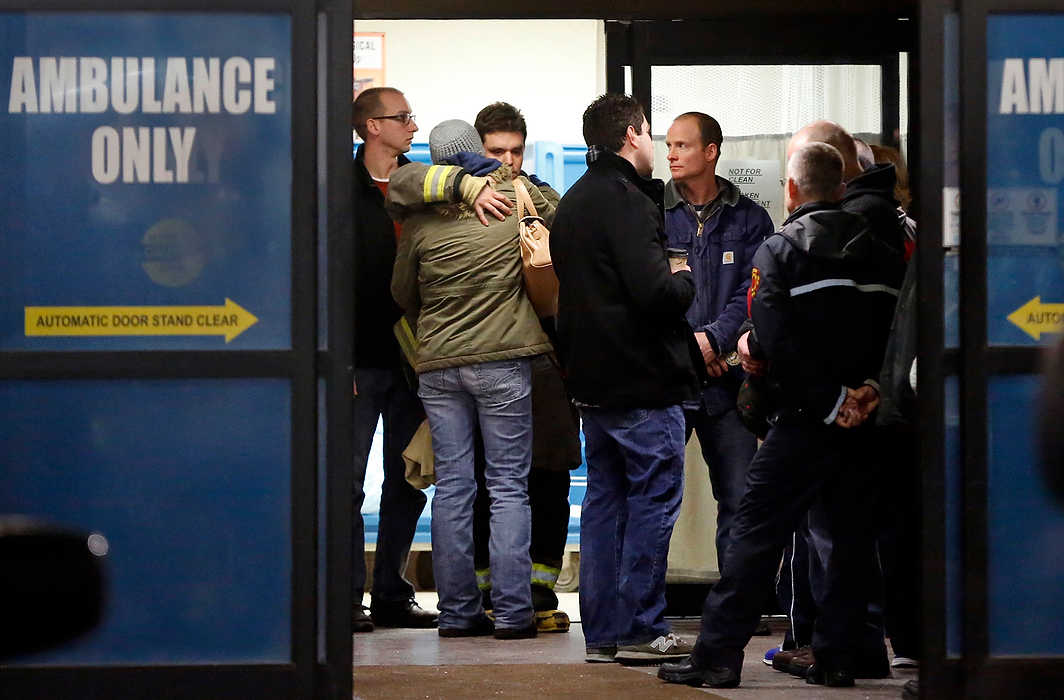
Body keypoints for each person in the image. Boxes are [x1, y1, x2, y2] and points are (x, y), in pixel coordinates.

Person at [658, 140, 905, 689]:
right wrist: (863, 392)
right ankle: (841, 655)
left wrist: (825, 401)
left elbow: (770, 342)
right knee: (850, 539)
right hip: (864, 422)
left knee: (754, 534)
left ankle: (718, 657)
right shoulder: (883, 252)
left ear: (791, 190)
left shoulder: (780, 250)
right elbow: (897, 332)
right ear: (842, 190)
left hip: (801, 420)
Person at [389, 119, 556, 640]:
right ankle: (511, 614)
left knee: (454, 488)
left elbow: (401, 294)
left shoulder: (420, 220)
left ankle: (458, 615)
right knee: (507, 487)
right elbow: (561, 233)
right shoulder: (515, 198)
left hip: (438, 365)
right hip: (503, 359)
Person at [550, 93, 700, 665]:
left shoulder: (574, 202)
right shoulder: (630, 203)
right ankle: (642, 628)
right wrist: (683, 275)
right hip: (643, 381)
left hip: (593, 382)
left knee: (606, 504)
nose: (658, 145)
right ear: (633, 134)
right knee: (653, 501)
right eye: (651, 133)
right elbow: (656, 293)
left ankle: (605, 634)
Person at [469, 102, 581, 634]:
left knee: (550, 473)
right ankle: (490, 588)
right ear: (476, 150)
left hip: (546, 359)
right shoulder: (455, 204)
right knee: (487, 480)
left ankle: (539, 587)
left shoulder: (543, 198)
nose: (507, 162)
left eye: (515, 151)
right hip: (485, 357)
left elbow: (573, 247)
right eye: (496, 152)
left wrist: (525, 201)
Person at [662, 111, 773, 573]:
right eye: (668, 145)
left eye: (682, 146)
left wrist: (714, 340)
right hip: (668, 380)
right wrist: (693, 347)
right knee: (656, 498)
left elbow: (754, 295)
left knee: (740, 496)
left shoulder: (750, 218)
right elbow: (648, 290)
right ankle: (644, 613)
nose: (670, 154)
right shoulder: (653, 212)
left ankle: (737, 606)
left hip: (726, 380)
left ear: (711, 152)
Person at [349, 86, 437, 632]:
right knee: (347, 484)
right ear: (371, 127)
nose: (412, 124)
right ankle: (345, 596)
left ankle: (391, 592)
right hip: (356, 362)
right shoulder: (336, 188)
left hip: (414, 361)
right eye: (402, 117)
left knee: (406, 478)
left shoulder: (424, 184)